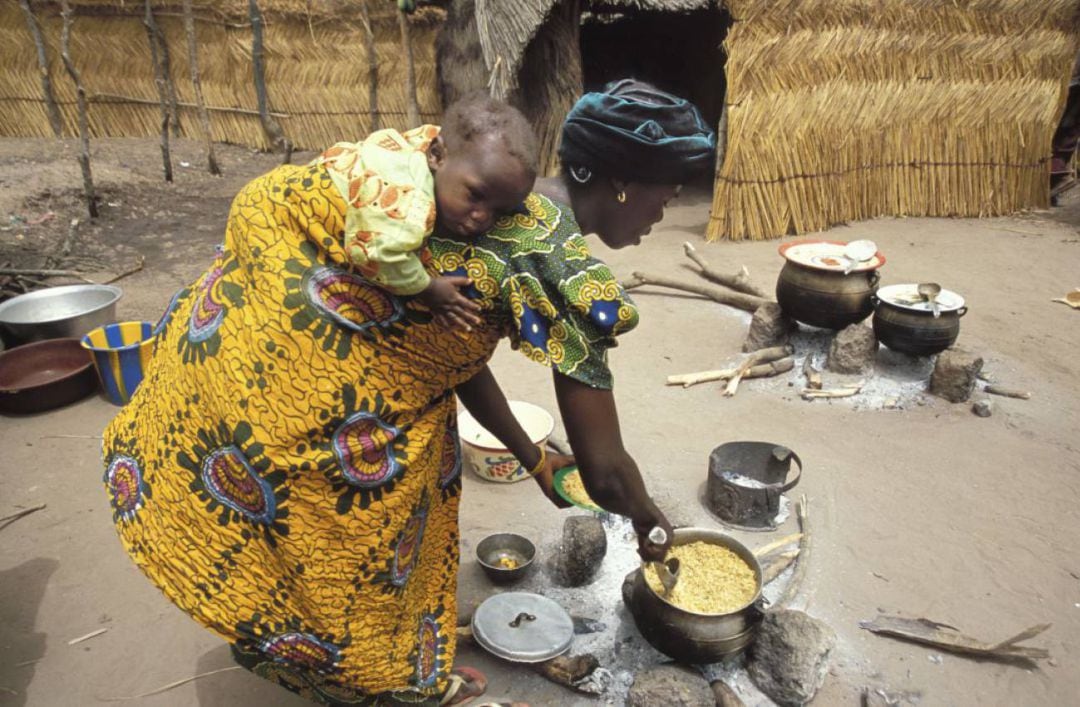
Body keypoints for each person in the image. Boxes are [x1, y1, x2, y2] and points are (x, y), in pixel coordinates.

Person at [101, 81, 714, 706]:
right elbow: (606, 471)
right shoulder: (557, 263)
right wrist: (649, 521)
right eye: (665, 197)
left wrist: (532, 457)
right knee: (352, 558)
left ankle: (329, 650)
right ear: (622, 184)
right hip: (308, 398)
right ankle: (384, 686)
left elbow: (455, 353)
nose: (664, 213)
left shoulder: (478, 193)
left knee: (361, 517)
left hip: (245, 369)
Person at [313, 95, 537, 331]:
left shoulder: (442, 147)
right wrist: (426, 288)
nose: (482, 216)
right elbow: (375, 253)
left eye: (500, 211)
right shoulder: (407, 205)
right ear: (437, 156)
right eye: (475, 195)